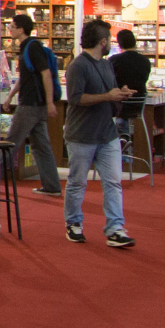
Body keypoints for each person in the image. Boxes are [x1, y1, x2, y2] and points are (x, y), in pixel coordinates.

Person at [62, 19, 136, 248]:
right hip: (81, 134)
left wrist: (120, 94)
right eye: (109, 40)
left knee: (113, 182)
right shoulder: (78, 66)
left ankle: (115, 228)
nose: (112, 44)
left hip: (107, 133)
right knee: (77, 182)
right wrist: (107, 97)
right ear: (103, 41)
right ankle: (73, 223)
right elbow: (75, 99)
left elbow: (107, 92)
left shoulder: (105, 64)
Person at [6, 14, 64, 197]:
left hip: (31, 104)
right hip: (34, 104)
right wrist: (10, 96)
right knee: (41, 146)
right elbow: (24, 78)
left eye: (12, 26)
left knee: (10, 142)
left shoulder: (32, 47)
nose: (10, 29)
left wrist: (49, 103)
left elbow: (45, 74)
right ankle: (52, 185)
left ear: (21, 29)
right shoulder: (25, 48)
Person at [111, 28, 152, 139]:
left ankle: (121, 140)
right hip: (138, 103)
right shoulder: (145, 61)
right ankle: (124, 139)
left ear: (119, 44)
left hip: (119, 104)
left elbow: (110, 81)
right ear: (134, 42)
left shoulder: (114, 60)